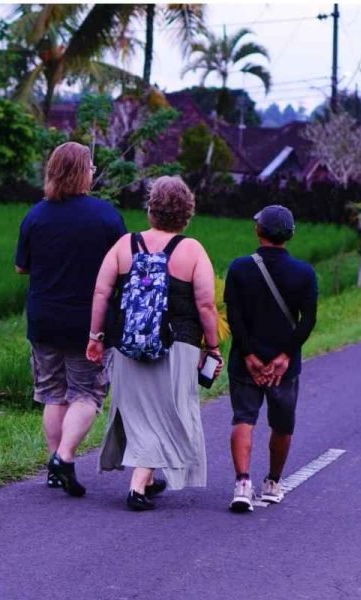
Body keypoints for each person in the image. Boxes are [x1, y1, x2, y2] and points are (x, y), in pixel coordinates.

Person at [87, 176, 223, 511]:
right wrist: (213, 347)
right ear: (186, 214)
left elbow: (102, 292)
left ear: (151, 210)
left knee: (139, 413)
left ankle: (146, 481)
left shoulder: (124, 245)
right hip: (178, 345)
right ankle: (137, 485)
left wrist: (95, 337)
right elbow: (205, 305)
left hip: (127, 344)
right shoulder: (191, 250)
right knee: (168, 413)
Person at [15, 142, 126, 498]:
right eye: (91, 166)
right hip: (88, 321)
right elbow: (124, 265)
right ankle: (63, 457)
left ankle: (55, 462)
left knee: (53, 393)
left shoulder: (36, 215)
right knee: (87, 393)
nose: (94, 171)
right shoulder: (106, 216)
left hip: (44, 319)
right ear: (82, 172)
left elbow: (22, 266)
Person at [223, 205, 318, 513]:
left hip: (245, 361)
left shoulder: (239, 268)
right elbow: (308, 321)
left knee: (243, 418)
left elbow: (234, 316)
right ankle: (273, 483)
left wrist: (250, 354)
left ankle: (242, 484)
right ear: (289, 235)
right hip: (285, 368)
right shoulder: (304, 273)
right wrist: (284, 356)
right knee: (282, 424)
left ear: (258, 231)